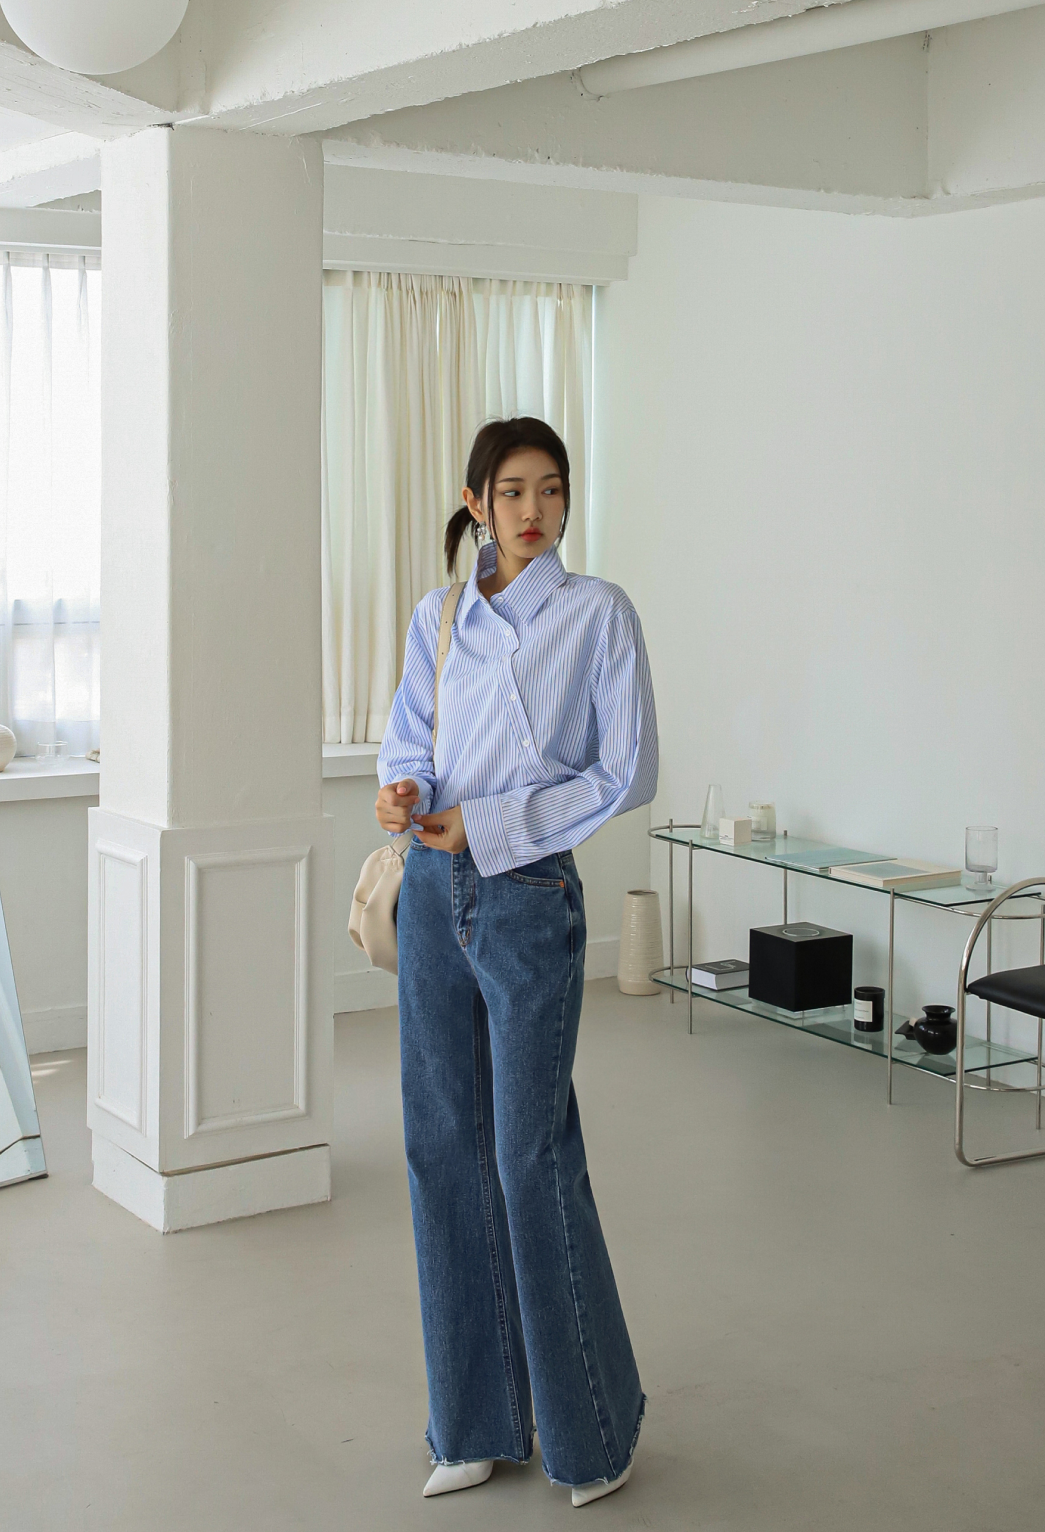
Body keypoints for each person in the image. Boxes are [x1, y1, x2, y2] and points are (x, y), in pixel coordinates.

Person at [376, 416, 659, 1508]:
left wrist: (493, 827)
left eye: (550, 490)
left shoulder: (597, 614)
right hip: (429, 895)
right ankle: (471, 1423)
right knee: (440, 1148)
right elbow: (411, 738)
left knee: (528, 1156)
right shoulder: (437, 615)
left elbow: (624, 772)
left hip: (528, 897)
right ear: (475, 500)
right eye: (510, 491)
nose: (532, 510)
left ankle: (592, 1433)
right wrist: (401, 791)